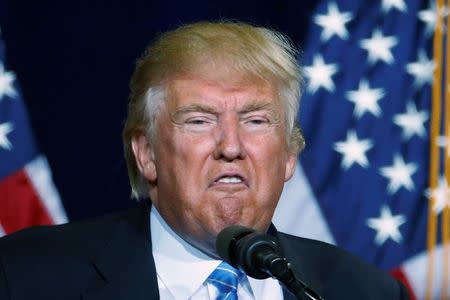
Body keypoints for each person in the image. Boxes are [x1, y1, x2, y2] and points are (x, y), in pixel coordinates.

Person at [0, 21, 409, 300]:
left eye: (255, 120)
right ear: (146, 154)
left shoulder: (362, 290)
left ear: (288, 155)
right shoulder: (25, 277)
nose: (230, 145)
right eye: (199, 120)